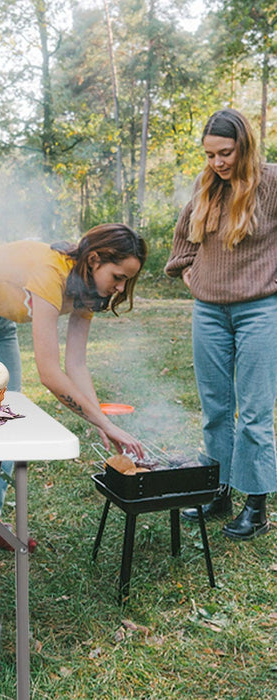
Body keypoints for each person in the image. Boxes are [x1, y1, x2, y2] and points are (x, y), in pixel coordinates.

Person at [0, 223, 148, 584]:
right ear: (94, 260)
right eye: (118, 276)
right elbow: (49, 373)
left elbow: (76, 365)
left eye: (127, 281)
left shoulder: (87, 291)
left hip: (1, 324)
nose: (120, 287)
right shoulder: (51, 273)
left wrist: (101, 422)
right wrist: (105, 422)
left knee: (4, 424)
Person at [165, 108, 277, 541]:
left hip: (259, 311)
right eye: (210, 155)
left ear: (244, 146)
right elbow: (182, 237)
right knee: (214, 408)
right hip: (209, 311)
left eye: (225, 153)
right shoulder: (206, 185)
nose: (217, 163)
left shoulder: (271, 182)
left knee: (253, 412)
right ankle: (218, 490)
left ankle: (256, 503)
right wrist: (186, 268)